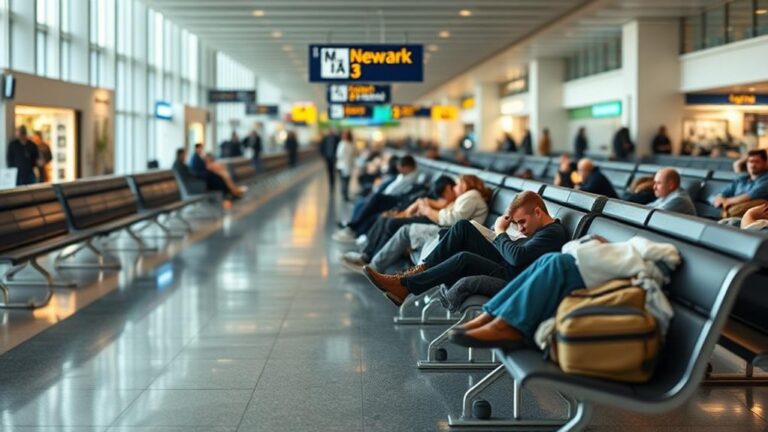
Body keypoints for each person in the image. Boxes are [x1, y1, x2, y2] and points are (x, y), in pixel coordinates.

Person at [448, 235, 679, 350]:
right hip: (597, 280)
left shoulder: (654, 259)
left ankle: (511, 326)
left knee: (558, 263)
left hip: (613, 289)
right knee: (550, 259)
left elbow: (667, 256)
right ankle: (493, 316)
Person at [362, 191, 569, 306]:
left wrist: (500, 232)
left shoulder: (552, 233)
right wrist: (506, 233)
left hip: (512, 275)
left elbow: (516, 258)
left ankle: (406, 285)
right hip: (505, 262)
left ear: (538, 212)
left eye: (523, 222)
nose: (522, 228)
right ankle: (413, 276)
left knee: (463, 258)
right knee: (462, 228)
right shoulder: (540, 230)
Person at [344, 175, 492, 271]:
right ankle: (372, 262)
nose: (454, 187)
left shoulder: (471, 196)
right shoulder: (468, 197)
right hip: (447, 231)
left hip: (447, 232)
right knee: (397, 226)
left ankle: (373, 264)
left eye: (458, 184)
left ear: (466, 185)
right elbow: (452, 216)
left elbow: (453, 219)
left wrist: (428, 211)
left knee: (399, 227)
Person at [333, 155, 419, 241]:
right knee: (367, 205)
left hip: (396, 200)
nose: (399, 170)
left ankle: (354, 226)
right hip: (390, 196)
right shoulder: (404, 175)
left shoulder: (412, 178)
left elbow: (399, 191)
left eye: (401, 168)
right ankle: (354, 228)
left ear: (408, 167)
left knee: (375, 199)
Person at [711, 149, 768, 218]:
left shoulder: (765, 179)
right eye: (750, 162)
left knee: (733, 211)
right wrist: (720, 197)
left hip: (748, 211)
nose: (752, 165)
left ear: (765, 163)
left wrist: (726, 201)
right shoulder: (742, 179)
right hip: (732, 208)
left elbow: (751, 195)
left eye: (756, 162)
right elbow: (725, 191)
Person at [335, 130, 356, 201]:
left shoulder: (344, 144)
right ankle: (345, 194)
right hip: (345, 165)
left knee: (345, 181)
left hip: (344, 165)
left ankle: (344, 193)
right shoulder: (348, 144)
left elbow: (339, 155)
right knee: (345, 181)